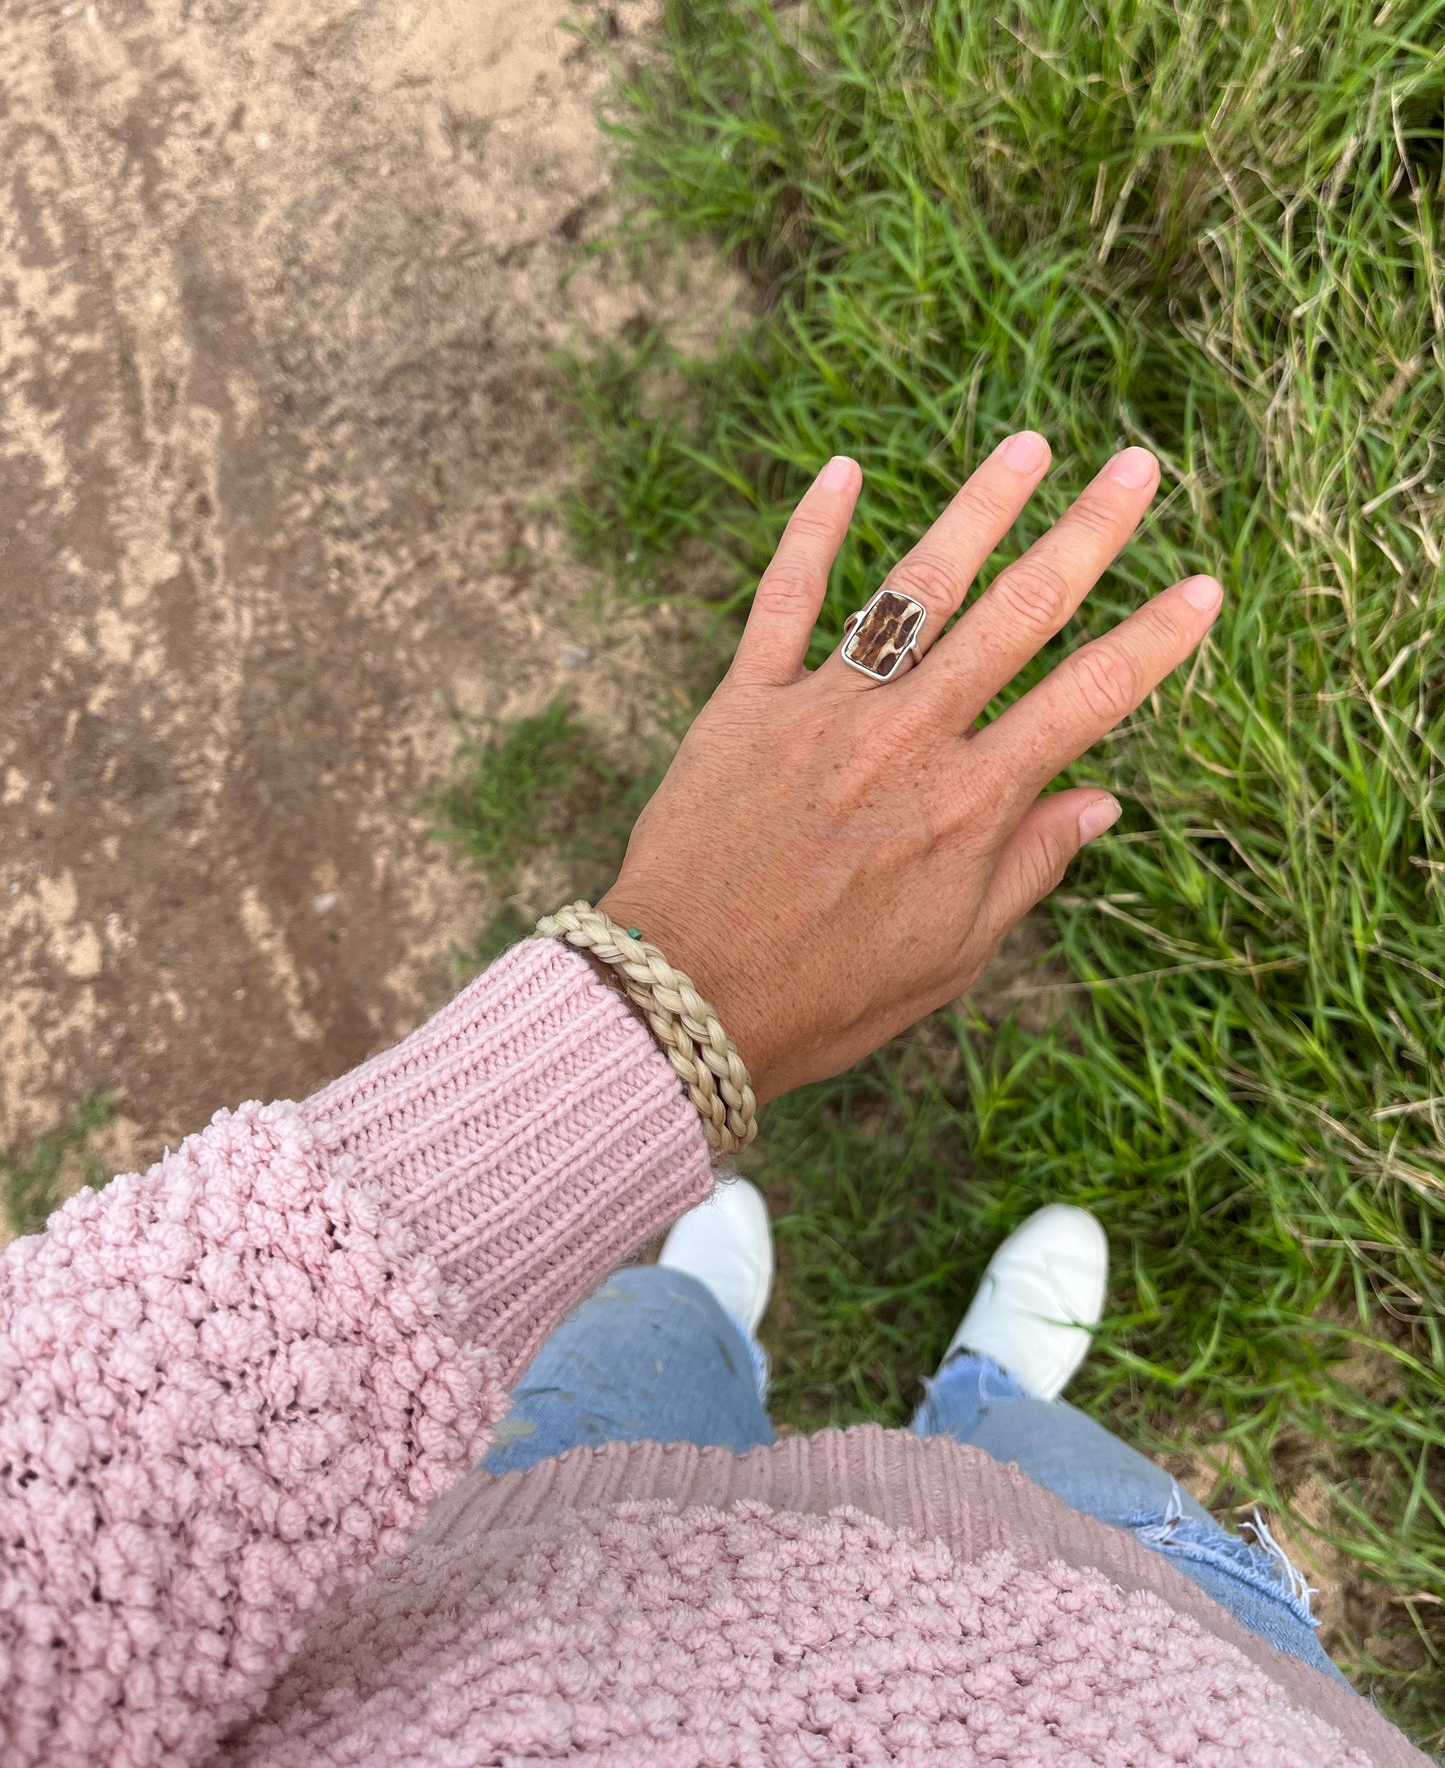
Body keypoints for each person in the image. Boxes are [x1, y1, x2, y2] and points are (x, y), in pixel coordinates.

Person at [0, 437, 1419, 1765]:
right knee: (1040, 1456)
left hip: (543, 1537)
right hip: (1157, 1625)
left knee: (647, 1331)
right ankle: (980, 1400)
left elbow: (44, 1542)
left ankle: (713, 1326)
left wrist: (664, 1005)